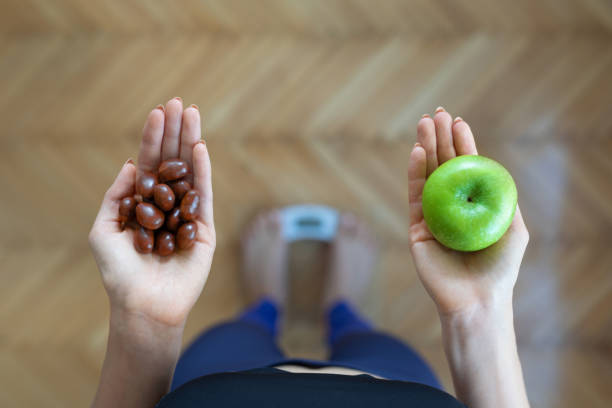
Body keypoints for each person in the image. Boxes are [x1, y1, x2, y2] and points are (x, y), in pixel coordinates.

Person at [89, 99, 531, 408]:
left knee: (241, 333)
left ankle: (266, 304)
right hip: (397, 381)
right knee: (365, 339)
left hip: (217, 378)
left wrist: (144, 316)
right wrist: (478, 310)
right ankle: (342, 308)